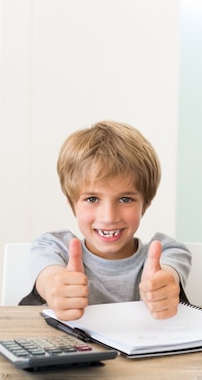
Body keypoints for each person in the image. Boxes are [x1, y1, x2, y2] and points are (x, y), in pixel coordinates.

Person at [20, 120, 191, 321]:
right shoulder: (53, 247)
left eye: (125, 199)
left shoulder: (167, 250)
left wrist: (162, 286)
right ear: (72, 203)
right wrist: (54, 287)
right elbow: (49, 279)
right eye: (92, 199)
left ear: (146, 204)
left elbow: (168, 273)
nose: (109, 217)